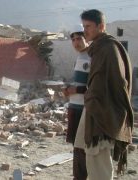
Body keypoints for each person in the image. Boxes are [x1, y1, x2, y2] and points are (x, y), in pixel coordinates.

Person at [74, 9, 133, 180]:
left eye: (88, 26)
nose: (85, 31)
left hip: (102, 114)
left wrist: (95, 101)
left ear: (101, 26)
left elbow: (118, 84)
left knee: (98, 162)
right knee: (84, 151)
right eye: (83, 26)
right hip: (94, 108)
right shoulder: (99, 47)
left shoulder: (108, 49)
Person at [64, 24, 89, 180]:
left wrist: (77, 91)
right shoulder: (80, 57)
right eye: (73, 39)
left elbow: (98, 87)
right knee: (77, 147)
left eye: (79, 38)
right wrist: (68, 90)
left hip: (85, 109)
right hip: (75, 107)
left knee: (82, 148)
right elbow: (79, 84)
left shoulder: (92, 57)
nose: (76, 42)